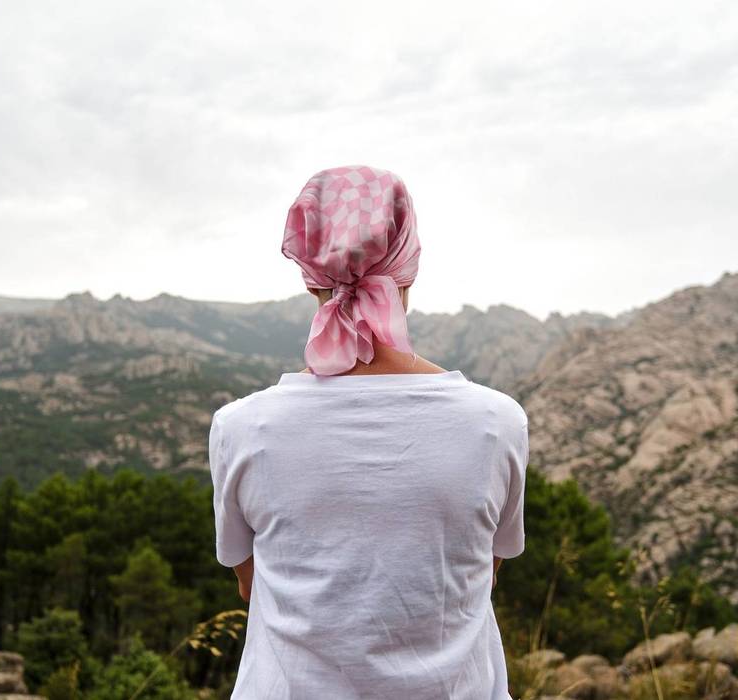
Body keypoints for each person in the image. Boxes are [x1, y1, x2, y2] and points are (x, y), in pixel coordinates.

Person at [209, 165, 529, 699]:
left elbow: (251, 585)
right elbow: (483, 574)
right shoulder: (497, 422)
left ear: (308, 272)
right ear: (409, 266)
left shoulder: (241, 427)